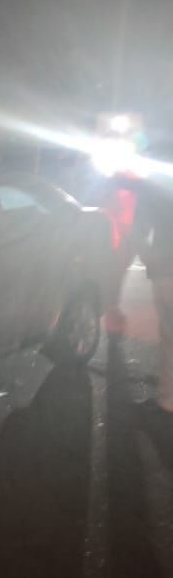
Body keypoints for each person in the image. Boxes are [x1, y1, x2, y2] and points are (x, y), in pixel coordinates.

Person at [133, 173, 173, 412]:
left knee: (169, 334)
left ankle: (168, 398)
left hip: (166, 271)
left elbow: (137, 230)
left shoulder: (156, 185)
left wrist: (150, 259)